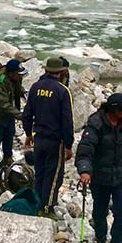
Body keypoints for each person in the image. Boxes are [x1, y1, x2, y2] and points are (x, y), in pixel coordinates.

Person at [76, 93, 122, 243]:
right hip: (100, 176)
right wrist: (84, 170)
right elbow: (85, 149)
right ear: (115, 110)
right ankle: (100, 238)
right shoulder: (96, 124)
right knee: (99, 211)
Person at [22, 57, 74, 217]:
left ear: (46, 70)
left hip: (38, 138)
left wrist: (28, 134)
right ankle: (47, 208)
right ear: (61, 72)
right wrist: (68, 144)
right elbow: (67, 120)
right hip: (55, 140)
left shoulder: (35, 87)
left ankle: (37, 202)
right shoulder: (62, 91)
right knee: (53, 176)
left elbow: (27, 114)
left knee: (40, 172)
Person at [0, 59, 27, 165]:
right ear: (12, 74)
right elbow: (3, 104)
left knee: (9, 133)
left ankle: (7, 157)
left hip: (8, 113)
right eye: (19, 74)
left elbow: (16, 88)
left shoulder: (14, 77)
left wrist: (24, 93)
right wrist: (21, 115)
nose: (21, 77)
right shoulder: (0, 82)